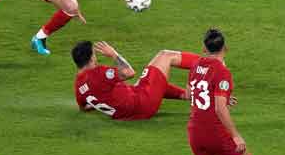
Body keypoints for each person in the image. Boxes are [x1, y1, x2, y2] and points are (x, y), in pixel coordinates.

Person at [183, 28, 260, 155]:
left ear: (204, 47)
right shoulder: (222, 71)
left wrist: (221, 99)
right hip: (213, 131)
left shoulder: (195, 65)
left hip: (193, 130)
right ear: (225, 47)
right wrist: (236, 136)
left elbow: (189, 93)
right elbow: (219, 108)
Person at [72, 41, 200, 120]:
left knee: (150, 80)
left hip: (129, 111)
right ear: (91, 59)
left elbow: (84, 107)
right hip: (143, 104)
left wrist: (102, 103)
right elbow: (129, 72)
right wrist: (114, 55)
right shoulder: (98, 73)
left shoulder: (78, 86)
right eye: (94, 54)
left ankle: (187, 95)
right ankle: (208, 64)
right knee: (165, 55)